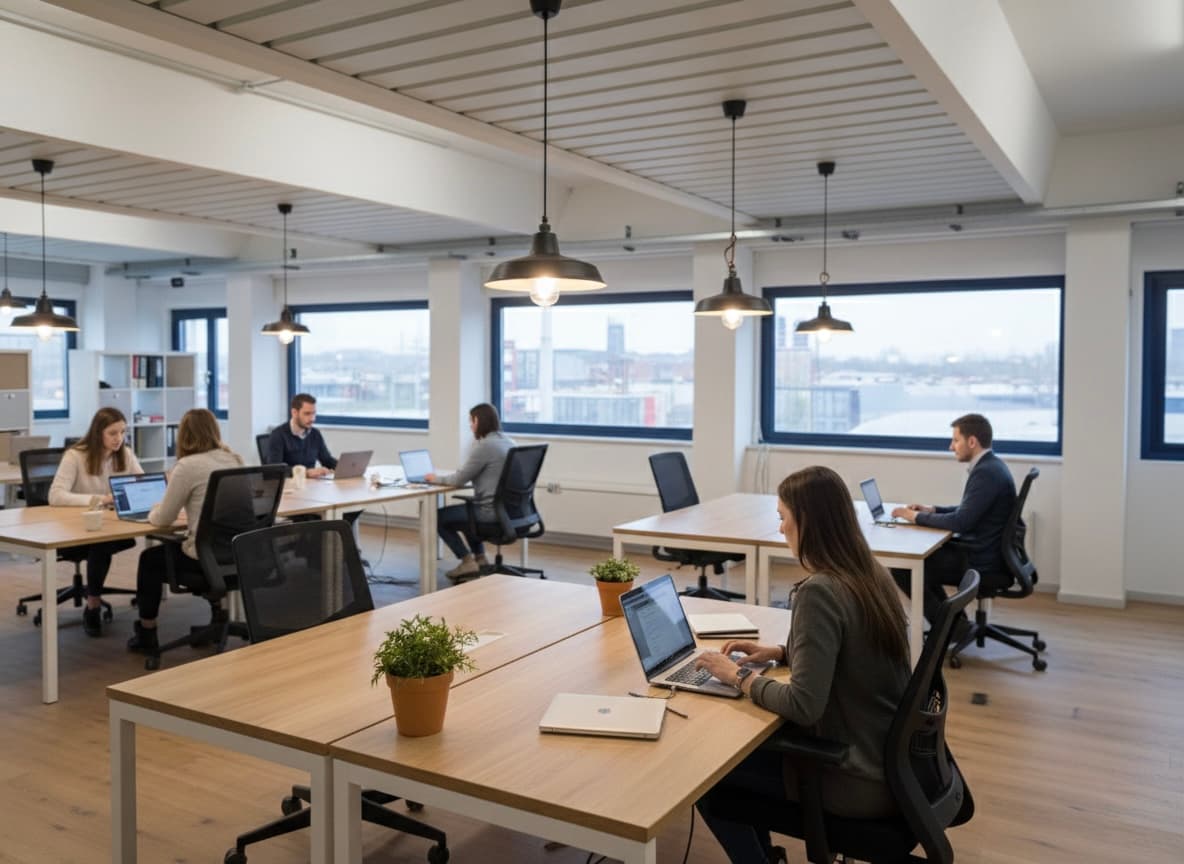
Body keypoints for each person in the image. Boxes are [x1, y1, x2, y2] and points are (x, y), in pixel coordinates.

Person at [693, 465, 911, 863]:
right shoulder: (870, 573)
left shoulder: (820, 592)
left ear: (806, 521)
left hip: (849, 775)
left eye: (782, 518)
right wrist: (778, 653)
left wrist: (737, 675)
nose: (780, 529)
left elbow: (804, 705)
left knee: (706, 776)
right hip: (890, 767)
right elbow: (854, 653)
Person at [126, 408, 244, 656]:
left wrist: (152, 509)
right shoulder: (234, 458)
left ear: (184, 435)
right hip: (236, 553)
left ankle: (147, 633)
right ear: (214, 431)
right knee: (168, 549)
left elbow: (163, 518)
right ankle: (221, 617)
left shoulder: (187, 465)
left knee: (149, 560)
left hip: (204, 560)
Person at [890, 413, 1015, 640]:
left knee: (905, 567)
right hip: (989, 552)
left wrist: (914, 517)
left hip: (981, 561)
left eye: (955, 440)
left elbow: (961, 522)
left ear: (972, 442)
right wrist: (932, 510)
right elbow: (969, 511)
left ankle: (951, 628)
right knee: (924, 561)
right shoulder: (992, 466)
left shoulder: (986, 473)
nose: (951, 447)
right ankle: (954, 625)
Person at [47, 407, 142, 637]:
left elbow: (139, 481)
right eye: (112, 433)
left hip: (110, 526)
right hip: (76, 528)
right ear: (98, 432)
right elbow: (56, 495)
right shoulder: (75, 456)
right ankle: (93, 605)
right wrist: (100, 500)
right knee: (101, 546)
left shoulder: (125, 454)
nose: (119, 438)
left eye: (122, 432)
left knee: (104, 544)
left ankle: (94, 601)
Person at [425, 403, 515, 581]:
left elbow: (459, 480)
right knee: (468, 512)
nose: (470, 426)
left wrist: (434, 478)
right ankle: (480, 559)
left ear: (479, 421)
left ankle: (467, 561)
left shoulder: (485, 446)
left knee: (435, 517)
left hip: (489, 513)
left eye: (471, 421)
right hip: (510, 511)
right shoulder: (508, 441)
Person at [265, 393, 336, 478]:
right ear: (294, 412)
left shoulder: (315, 434)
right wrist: (306, 472)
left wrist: (344, 467)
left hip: (310, 485)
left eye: (313, 413)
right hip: (288, 486)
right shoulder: (278, 435)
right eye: (307, 414)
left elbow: (327, 460)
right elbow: (275, 470)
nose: (312, 419)